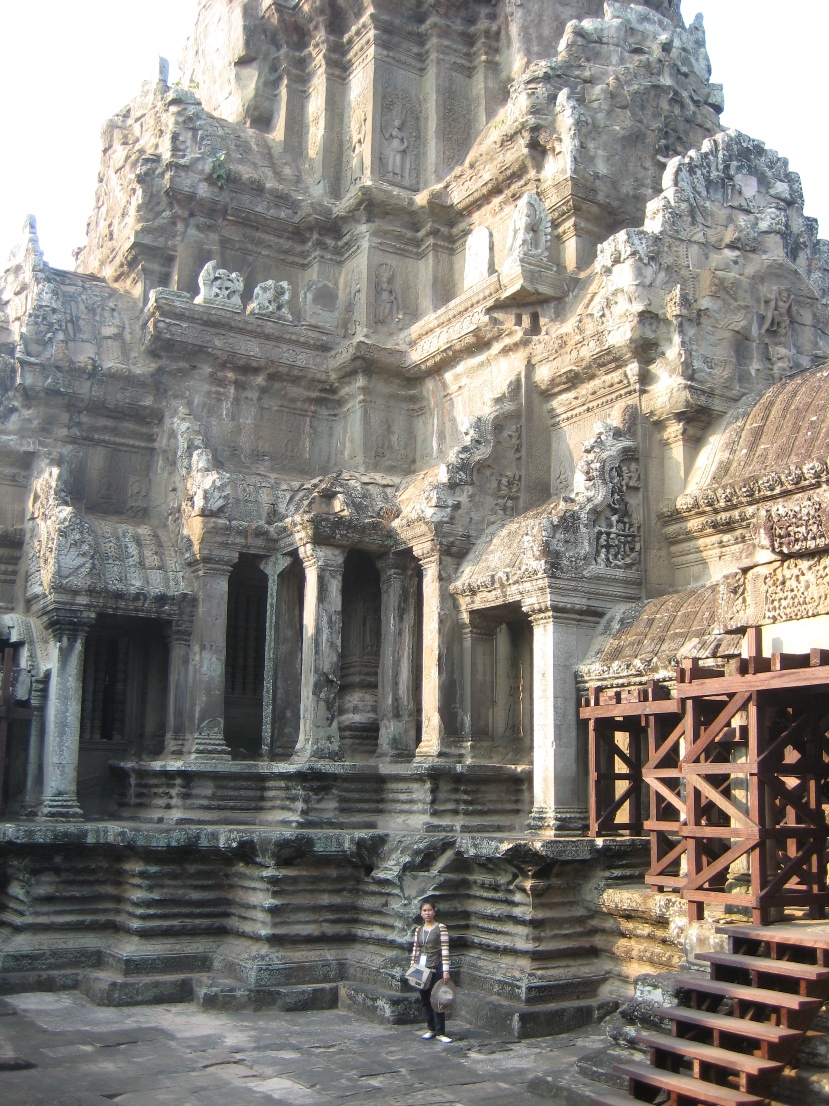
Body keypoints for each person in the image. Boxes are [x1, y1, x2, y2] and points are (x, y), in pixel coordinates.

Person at [410, 900, 452, 1043]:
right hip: (422, 969)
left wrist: (446, 970)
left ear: (434, 911)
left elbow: (445, 950)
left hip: (436, 968)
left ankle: (440, 1032)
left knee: (437, 1000)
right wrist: (412, 966)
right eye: (424, 911)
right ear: (421, 913)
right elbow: (416, 949)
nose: (427, 913)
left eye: (429, 910)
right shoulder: (419, 930)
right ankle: (431, 1029)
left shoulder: (441, 928)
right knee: (425, 999)